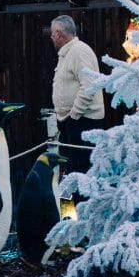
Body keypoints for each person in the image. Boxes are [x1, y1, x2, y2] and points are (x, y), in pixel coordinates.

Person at [50, 15, 104, 173]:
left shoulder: (79, 51)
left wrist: (74, 115)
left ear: (59, 33)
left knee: (81, 169)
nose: (52, 37)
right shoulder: (67, 53)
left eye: (53, 33)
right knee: (72, 169)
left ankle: (82, 198)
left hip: (83, 121)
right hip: (71, 121)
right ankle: (74, 198)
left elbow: (89, 84)